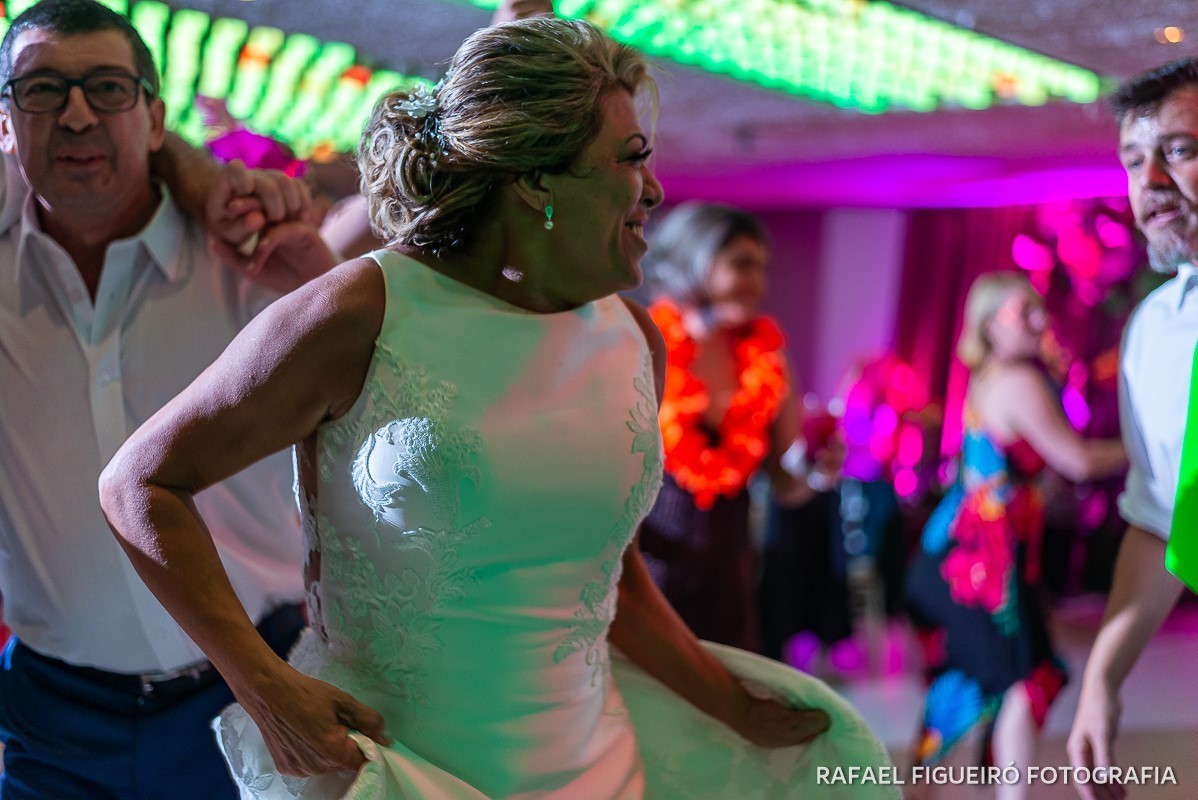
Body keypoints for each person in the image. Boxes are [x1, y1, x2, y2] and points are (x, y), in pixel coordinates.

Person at [99, 18, 903, 799]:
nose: (654, 188)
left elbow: (602, 573)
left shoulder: (632, 338)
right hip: (400, 766)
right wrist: (264, 683)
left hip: (595, 765)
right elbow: (140, 484)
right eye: (630, 159)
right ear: (537, 181)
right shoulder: (360, 310)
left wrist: (730, 704)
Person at [0, 1, 337, 797]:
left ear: (156, 119)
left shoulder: (251, 256)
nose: (77, 113)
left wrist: (315, 287)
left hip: (254, 686)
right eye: (43, 90)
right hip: (52, 716)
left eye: (109, 88)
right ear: (6, 125)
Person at [904, 272, 1126, 799]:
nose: (1036, 319)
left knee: (980, 678)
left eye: (1036, 308)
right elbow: (1078, 460)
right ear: (988, 325)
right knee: (1024, 678)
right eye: (1018, 311)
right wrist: (1158, 450)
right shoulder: (1017, 380)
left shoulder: (997, 375)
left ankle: (917, 792)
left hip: (973, 558)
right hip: (978, 566)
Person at [1066, 58, 1198, 800]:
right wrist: (1102, 679)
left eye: (1178, 149)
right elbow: (1163, 521)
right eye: (1130, 159)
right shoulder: (1155, 330)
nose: (1147, 181)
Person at [638, 201, 831, 652]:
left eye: (762, 267)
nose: (758, 283)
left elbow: (788, 484)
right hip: (645, 566)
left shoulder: (768, 358)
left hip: (729, 571)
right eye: (742, 264)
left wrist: (818, 467)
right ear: (694, 260)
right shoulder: (644, 344)